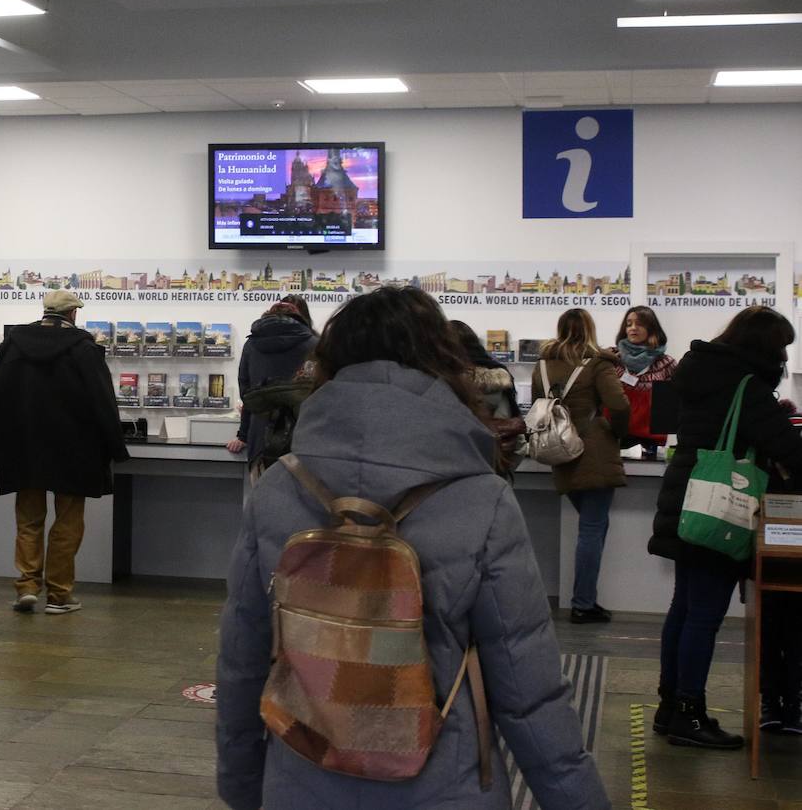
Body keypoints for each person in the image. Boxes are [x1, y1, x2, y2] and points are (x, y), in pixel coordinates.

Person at [216, 287, 608, 810]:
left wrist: (242, 786)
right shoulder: (481, 497)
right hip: (442, 782)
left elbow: (243, 659)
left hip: (302, 774)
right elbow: (527, 687)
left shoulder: (279, 488)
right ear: (440, 361)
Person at [651, 306, 802, 748]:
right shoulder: (747, 387)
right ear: (766, 347)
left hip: (687, 501)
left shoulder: (704, 372)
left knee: (684, 608)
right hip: (720, 512)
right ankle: (689, 713)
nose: (784, 357)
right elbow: (789, 449)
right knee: (704, 615)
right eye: (782, 347)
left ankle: (670, 707)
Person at [0, 289, 128, 615]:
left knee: (29, 519)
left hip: (23, 446)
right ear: (73, 314)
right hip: (75, 450)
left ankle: (27, 586)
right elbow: (103, 402)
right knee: (68, 522)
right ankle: (59, 594)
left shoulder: (12, 344)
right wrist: (116, 446)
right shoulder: (84, 349)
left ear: (44, 311)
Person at [533, 309, 629, 624]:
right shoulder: (597, 365)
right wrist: (617, 432)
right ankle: (583, 604)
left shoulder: (543, 366)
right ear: (590, 330)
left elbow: (538, 408)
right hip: (595, 450)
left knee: (593, 526)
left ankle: (585, 600)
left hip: (561, 452)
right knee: (592, 529)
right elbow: (619, 404)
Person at [226, 295, 317, 466]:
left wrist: (243, 435)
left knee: (261, 490)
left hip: (260, 437)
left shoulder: (251, 345)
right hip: (302, 438)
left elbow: (247, 393)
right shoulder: (315, 344)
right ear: (300, 318)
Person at [450, 320, 524, 477]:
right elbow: (508, 423)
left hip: (450, 465)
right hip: (492, 468)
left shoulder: (442, 381)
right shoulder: (499, 379)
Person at [611, 306, 677, 458]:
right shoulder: (612, 360)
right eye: (629, 324)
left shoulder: (667, 364)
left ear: (652, 328)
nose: (633, 328)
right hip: (614, 437)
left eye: (639, 324)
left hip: (651, 443)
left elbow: (672, 407)